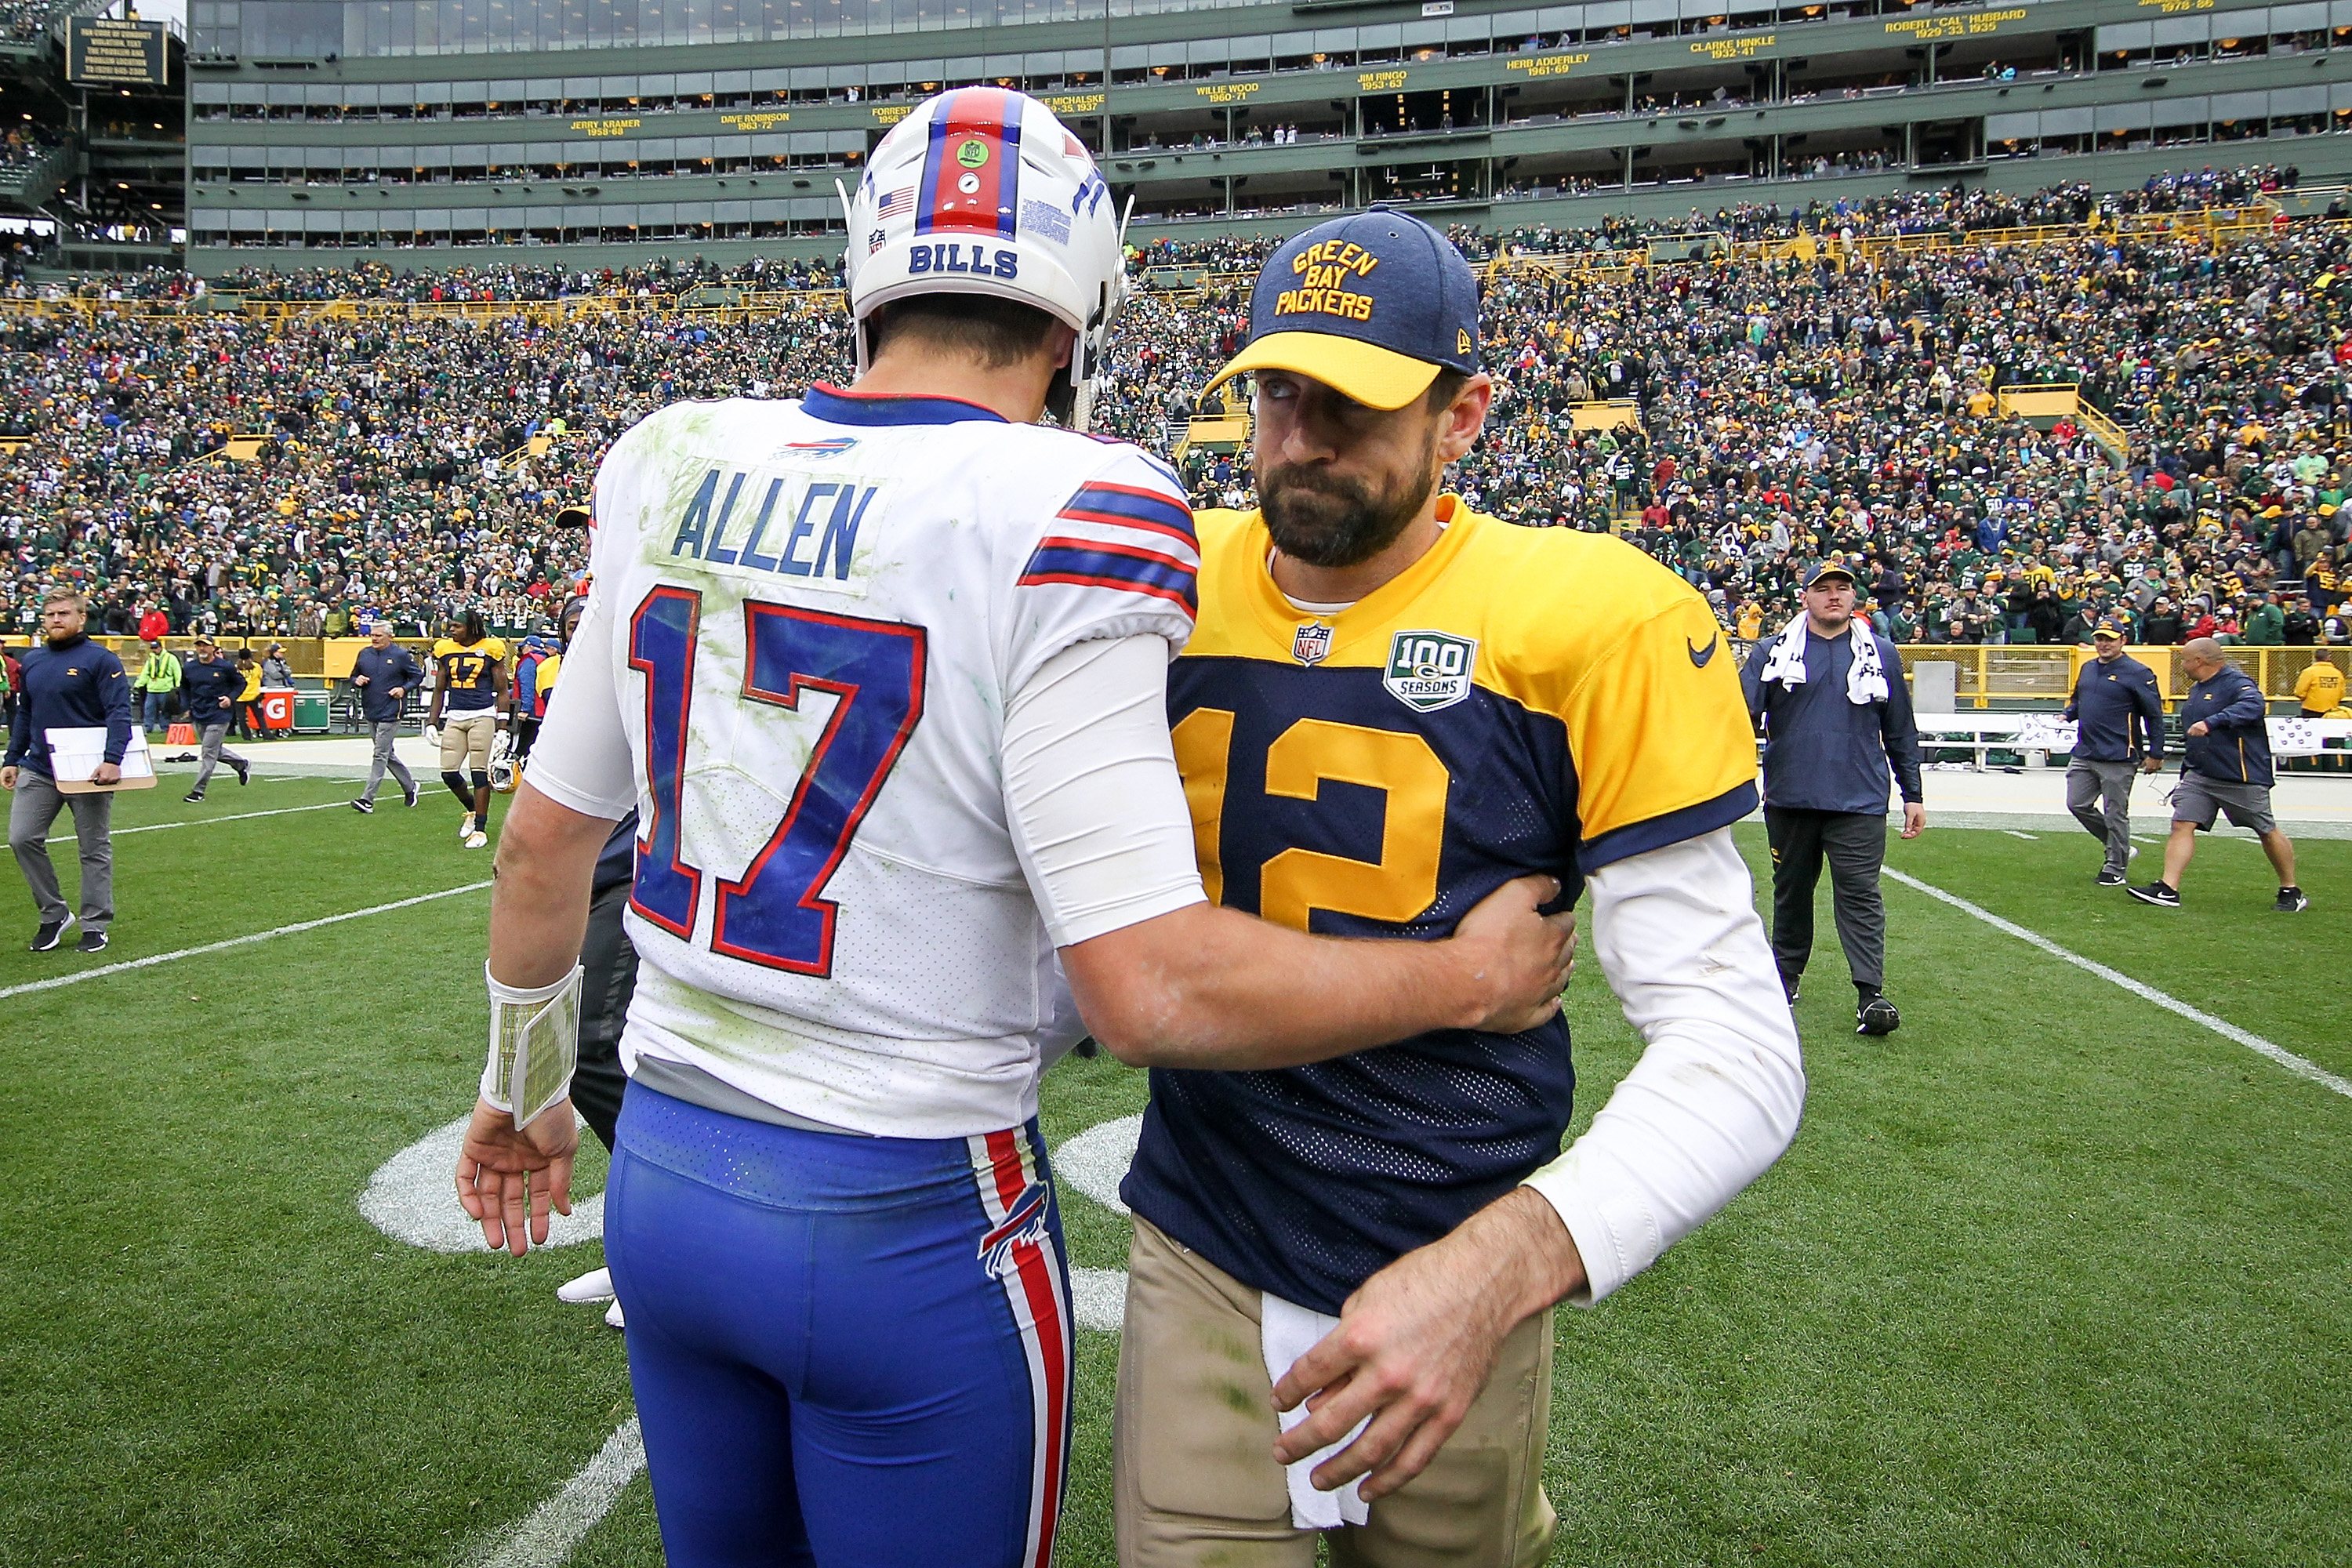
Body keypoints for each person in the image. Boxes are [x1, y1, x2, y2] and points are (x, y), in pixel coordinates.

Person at [448, 92, 1573, 1568]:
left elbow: (542, 850)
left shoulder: (671, 452)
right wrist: (1465, 981)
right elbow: (1147, 989)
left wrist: (528, 1091)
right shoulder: (1080, 497)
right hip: (908, 1212)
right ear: (1078, 301)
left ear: (867, 258)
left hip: (664, 1174)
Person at [1120, 209, 1806, 1566]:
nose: (1301, 436)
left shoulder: (1587, 617)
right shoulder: (1155, 584)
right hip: (1203, 1224)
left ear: (1463, 413)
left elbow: (1738, 1047)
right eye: (1276, 392)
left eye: (1355, 400)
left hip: (1453, 1229)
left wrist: (1503, 1265)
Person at [1743, 560, 1926, 1035]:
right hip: (1792, 797)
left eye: (1843, 588)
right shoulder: (1771, 652)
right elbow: (1740, 722)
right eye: (1823, 588)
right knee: (1792, 892)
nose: (1834, 595)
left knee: (1860, 895)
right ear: (1805, 596)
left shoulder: (1880, 653)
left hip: (1860, 799)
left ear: (1853, 597)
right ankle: (1784, 979)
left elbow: (1900, 729)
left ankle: (1871, 994)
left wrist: (1914, 793)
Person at [2130, 637, 2307, 912]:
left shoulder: (2237, 683)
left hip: (2239, 775)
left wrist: (2212, 722)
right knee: (2182, 824)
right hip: (2201, 775)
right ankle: (2168, 888)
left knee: (2265, 830)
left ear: (2199, 661)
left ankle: (2290, 889)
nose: (2182, 665)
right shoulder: (2198, 688)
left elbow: (2254, 707)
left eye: (2184, 660)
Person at [2, 589, 130, 953]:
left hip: (88, 769)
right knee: (21, 838)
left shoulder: (100, 660)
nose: (56, 620)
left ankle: (95, 922)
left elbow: (119, 711)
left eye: (63, 614)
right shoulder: (34, 661)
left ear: (80, 618)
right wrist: (12, 758)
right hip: (40, 766)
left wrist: (113, 758)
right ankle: (54, 913)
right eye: (50, 615)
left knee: (93, 847)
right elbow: (25, 714)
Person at [2063, 621, 2166, 886]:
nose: (2103, 644)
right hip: (2086, 750)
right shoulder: (2087, 668)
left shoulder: (2138, 672)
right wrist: (2068, 714)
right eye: (2099, 638)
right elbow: (2079, 699)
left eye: (2109, 639)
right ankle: (2120, 847)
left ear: (2123, 640)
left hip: (2120, 754)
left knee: (2115, 812)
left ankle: (2116, 867)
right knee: (2077, 804)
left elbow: (2154, 715)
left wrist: (2155, 752)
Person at [426, 607, 507, 849]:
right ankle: (473, 810)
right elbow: (439, 689)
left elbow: (503, 691)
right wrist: (432, 721)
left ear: (471, 628)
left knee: (479, 772)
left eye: (457, 626)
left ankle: (480, 830)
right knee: (448, 773)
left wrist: (502, 727)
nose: (451, 629)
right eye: (451, 625)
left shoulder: (491, 649)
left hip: (482, 714)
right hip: (455, 716)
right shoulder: (445, 649)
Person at [349, 622, 422, 813]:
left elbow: (417, 676)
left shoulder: (401, 656)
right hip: (371, 708)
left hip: (391, 710)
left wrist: (403, 689)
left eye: (379, 635)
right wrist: (357, 680)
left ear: (390, 636)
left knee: (380, 754)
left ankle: (367, 799)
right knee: (386, 753)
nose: (374, 638)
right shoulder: (364, 653)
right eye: (372, 635)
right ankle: (410, 786)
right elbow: (353, 675)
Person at [177, 635, 251, 803]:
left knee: (208, 753)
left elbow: (240, 683)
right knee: (213, 749)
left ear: (213, 648)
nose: (202, 648)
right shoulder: (190, 667)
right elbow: (184, 687)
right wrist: (186, 706)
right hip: (200, 712)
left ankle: (198, 791)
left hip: (219, 714)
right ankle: (241, 764)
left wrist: (230, 699)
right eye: (199, 645)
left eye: (205, 645)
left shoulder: (224, 666)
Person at [131, 635, 180, 735]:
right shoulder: (151, 659)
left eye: (156, 648)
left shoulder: (171, 658)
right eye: (152, 648)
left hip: (166, 688)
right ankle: (148, 728)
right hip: (152, 689)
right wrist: (138, 684)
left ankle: (164, 728)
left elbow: (177, 671)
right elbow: (145, 673)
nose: (154, 650)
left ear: (160, 647)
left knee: (165, 710)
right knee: (149, 709)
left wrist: (178, 685)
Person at [2295, 648, 2344, 717]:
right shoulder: (2338, 673)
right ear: (2329, 657)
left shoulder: (2308, 672)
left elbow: (2299, 692)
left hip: (2311, 708)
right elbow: (2341, 694)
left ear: (2315, 658)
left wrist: (2304, 698)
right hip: (2331, 710)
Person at [232, 649, 264, 740]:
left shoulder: (236, 667)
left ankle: (246, 736)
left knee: (241, 719)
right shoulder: (256, 666)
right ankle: (267, 734)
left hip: (240, 696)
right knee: (260, 717)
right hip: (254, 695)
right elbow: (260, 677)